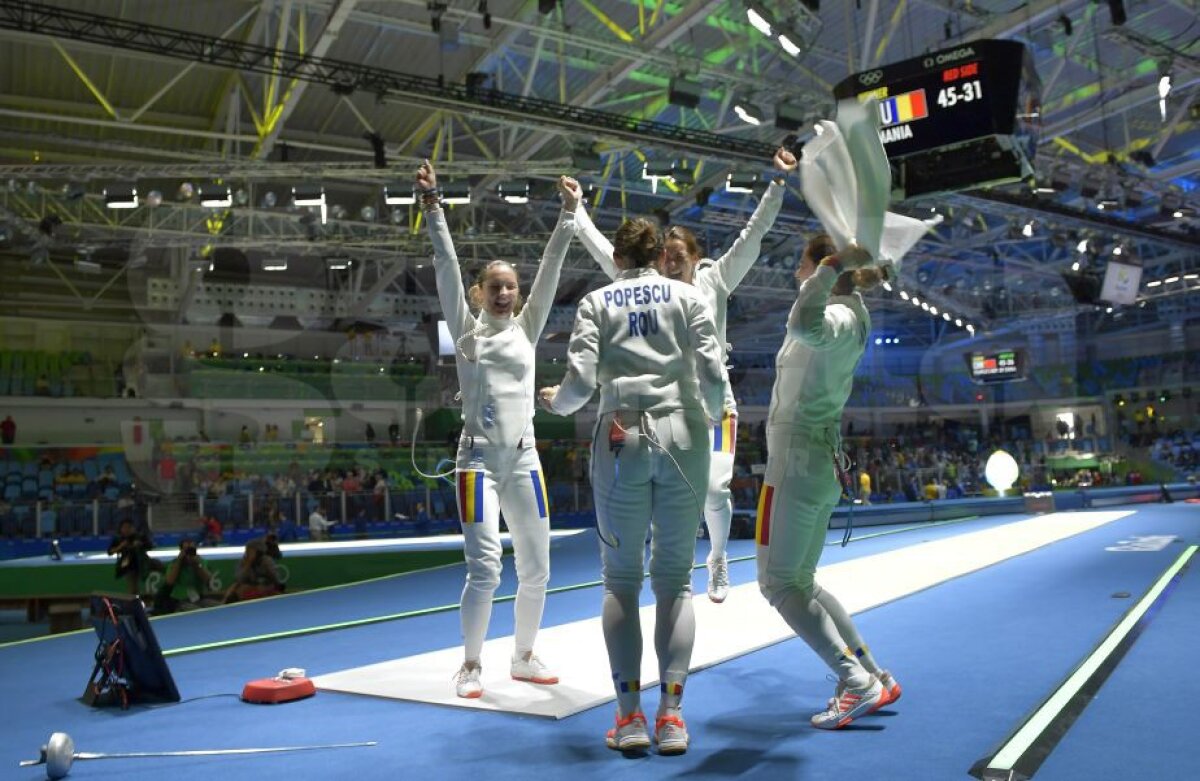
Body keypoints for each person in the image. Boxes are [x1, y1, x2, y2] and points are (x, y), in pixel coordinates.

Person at [540, 217, 727, 755]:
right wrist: (709, 416)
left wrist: (554, 402)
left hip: (621, 434)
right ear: (656, 254)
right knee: (674, 580)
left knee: (621, 580)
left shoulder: (597, 303)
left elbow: (577, 384)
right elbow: (713, 374)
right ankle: (672, 715)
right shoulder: (686, 296)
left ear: (617, 257)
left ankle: (629, 716)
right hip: (685, 431)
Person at [573, 147, 795, 603]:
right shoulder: (652, 292)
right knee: (666, 494)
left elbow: (753, 237)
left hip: (715, 407)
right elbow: (607, 255)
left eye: (678, 256)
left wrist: (776, 186)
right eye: (665, 256)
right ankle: (674, 568)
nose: (670, 263)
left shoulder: (715, 281)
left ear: (695, 256)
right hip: (669, 410)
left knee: (716, 488)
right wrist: (577, 213)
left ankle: (717, 557)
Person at [419, 159, 579, 699]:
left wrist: (568, 215)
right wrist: (433, 206)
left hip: (525, 460)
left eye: (512, 286)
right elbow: (444, 262)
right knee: (485, 567)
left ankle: (524, 655)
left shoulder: (528, 328)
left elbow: (554, 267)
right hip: (476, 462)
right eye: (497, 286)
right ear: (480, 291)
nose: (506, 293)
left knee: (538, 566)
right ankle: (469, 664)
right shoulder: (466, 333)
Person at [755, 236, 900, 730]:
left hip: (797, 463)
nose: (798, 273)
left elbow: (802, 321)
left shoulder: (837, 315)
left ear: (825, 270)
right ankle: (871, 672)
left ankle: (856, 681)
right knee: (802, 582)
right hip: (815, 459)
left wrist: (830, 267)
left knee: (777, 584)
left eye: (804, 265)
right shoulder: (851, 311)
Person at [153, 538, 219, 614]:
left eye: (192, 550)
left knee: (218, 607)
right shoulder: (174, 563)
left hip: (199, 599)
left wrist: (196, 565)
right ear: (181, 551)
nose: (189, 553)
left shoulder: (200, 562)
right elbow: (169, 582)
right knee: (197, 611)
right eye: (187, 550)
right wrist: (179, 561)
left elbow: (207, 579)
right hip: (180, 601)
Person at [223, 539, 284, 603]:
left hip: (266, 586)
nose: (247, 552)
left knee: (272, 591)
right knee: (235, 586)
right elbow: (239, 579)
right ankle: (224, 604)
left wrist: (267, 569)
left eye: (250, 550)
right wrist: (248, 563)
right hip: (251, 587)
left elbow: (276, 579)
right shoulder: (243, 561)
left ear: (258, 552)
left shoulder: (267, 561)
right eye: (247, 550)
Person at [106, 519, 155, 594]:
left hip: (143, 561)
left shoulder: (140, 536)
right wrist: (120, 547)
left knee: (159, 566)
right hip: (129, 565)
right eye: (124, 528)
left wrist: (140, 544)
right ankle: (134, 602)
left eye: (129, 527)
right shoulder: (119, 539)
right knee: (133, 588)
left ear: (133, 528)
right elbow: (110, 552)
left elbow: (151, 546)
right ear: (121, 529)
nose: (126, 530)